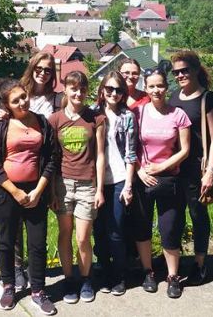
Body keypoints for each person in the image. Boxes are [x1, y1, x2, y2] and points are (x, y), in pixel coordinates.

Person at [0, 79, 58, 315]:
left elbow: (51, 158)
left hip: (36, 191)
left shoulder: (42, 122)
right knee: (6, 240)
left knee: (37, 243)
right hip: (7, 191)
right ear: (7, 105)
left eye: (23, 96)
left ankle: (38, 290)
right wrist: (15, 192)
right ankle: (9, 286)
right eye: (15, 100)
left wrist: (38, 190)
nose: (22, 102)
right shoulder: (2, 125)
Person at [0, 51, 60, 291]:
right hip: (9, 184)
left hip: (41, 174)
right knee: (9, 236)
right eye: (39, 69)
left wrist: (44, 189)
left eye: (48, 70)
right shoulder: (16, 98)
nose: (43, 73)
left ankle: (37, 285)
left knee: (37, 237)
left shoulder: (55, 101)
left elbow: (51, 151)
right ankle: (14, 274)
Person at [131, 68, 191, 299]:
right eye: (151, 86)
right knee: (142, 227)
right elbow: (130, 146)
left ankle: (173, 276)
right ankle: (148, 271)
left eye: (160, 85)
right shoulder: (137, 113)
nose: (156, 90)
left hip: (169, 178)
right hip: (143, 178)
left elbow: (185, 150)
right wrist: (139, 170)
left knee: (169, 229)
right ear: (145, 88)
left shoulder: (178, 115)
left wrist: (161, 167)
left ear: (167, 87)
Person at [49, 71, 105, 304]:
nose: (78, 93)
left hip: (86, 185)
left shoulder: (96, 119)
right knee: (65, 233)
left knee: (83, 237)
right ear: (65, 90)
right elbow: (51, 157)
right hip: (62, 184)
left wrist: (99, 188)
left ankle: (86, 278)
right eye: (73, 88)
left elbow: (100, 155)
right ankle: (69, 279)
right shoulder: (55, 120)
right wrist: (52, 191)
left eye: (82, 89)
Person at [168, 50, 213, 286]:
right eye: (176, 72)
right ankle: (175, 261)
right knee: (174, 217)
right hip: (175, 168)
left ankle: (200, 263)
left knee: (198, 216)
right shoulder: (173, 97)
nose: (180, 75)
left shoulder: (208, 99)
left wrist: (210, 171)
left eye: (185, 70)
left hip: (197, 170)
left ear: (196, 70)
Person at [92, 71, 137, 296]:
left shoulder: (127, 116)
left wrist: (128, 185)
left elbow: (131, 153)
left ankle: (119, 275)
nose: (114, 93)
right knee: (98, 229)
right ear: (102, 90)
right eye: (109, 89)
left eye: (118, 90)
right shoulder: (92, 113)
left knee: (116, 229)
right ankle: (104, 269)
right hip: (95, 180)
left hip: (119, 178)